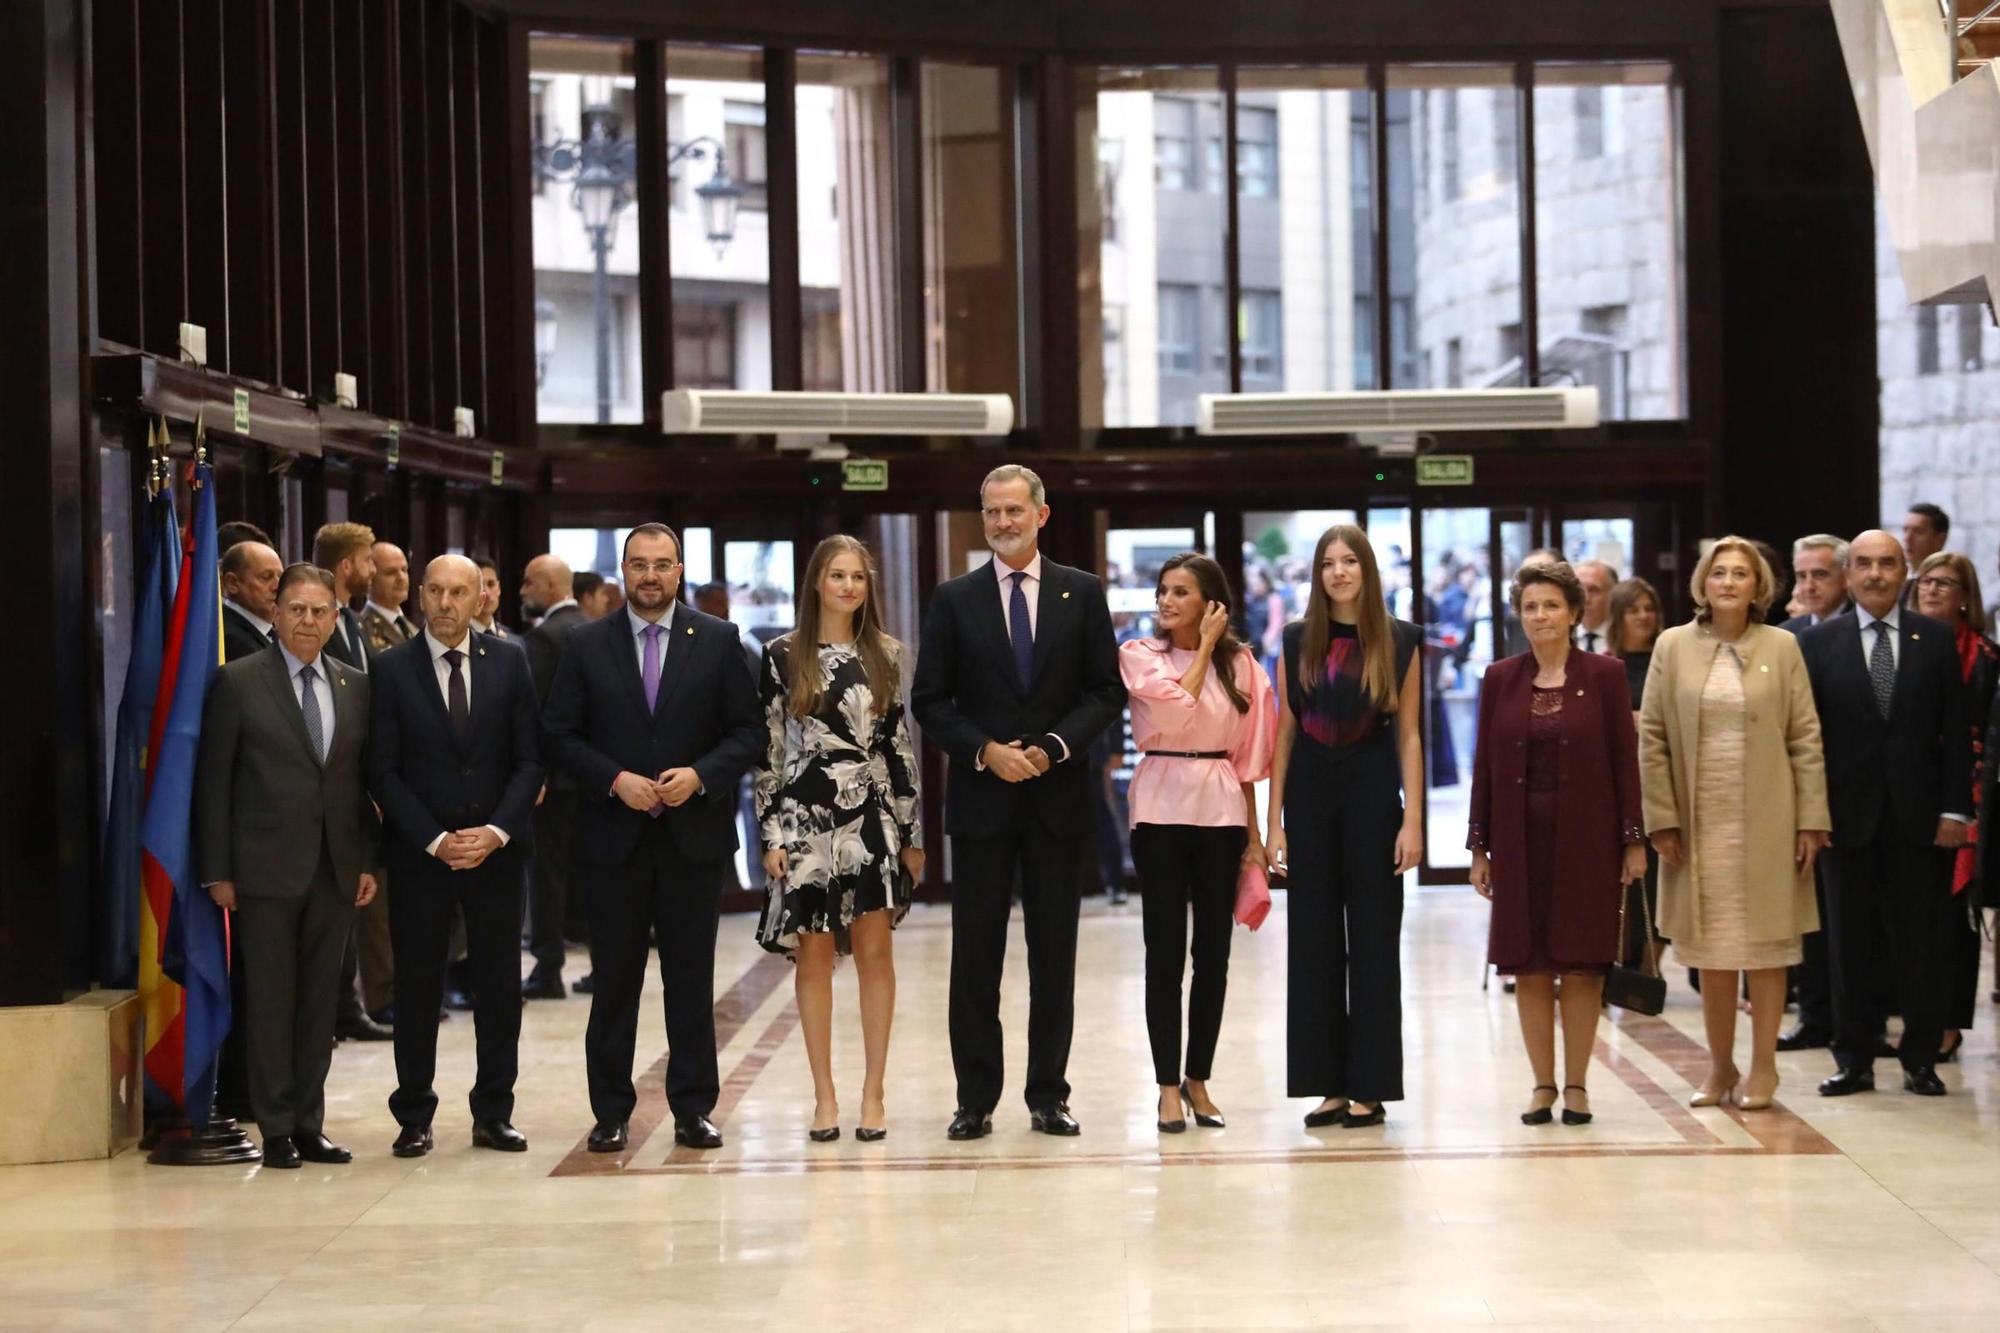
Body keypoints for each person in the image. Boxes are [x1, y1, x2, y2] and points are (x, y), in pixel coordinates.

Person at [911, 464, 1125, 1141]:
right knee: (975, 958)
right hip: (981, 804)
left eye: (1013, 510)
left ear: (1041, 513)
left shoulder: (1082, 593)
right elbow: (930, 700)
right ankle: (974, 1098)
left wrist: (1056, 746)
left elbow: (1104, 693)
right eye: (991, 510)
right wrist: (985, 750)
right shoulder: (954, 598)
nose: (1002, 521)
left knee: (1052, 955)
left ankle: (1048, 1095)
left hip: (1057, 802)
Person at [542, 523, 765, 1153]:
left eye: (661, 565)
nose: (650, 576)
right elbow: (557, 735)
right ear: (622, 571)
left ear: (679, 569)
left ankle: (694, 1108)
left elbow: (747, 733)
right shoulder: (587, 644)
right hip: (612, 840)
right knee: (615, 982)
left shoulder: (718, 640)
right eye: (638, 564)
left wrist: (701, 776)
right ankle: (611, 1110)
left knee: (691, 982)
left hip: (693, 840)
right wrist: (614, 780)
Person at [195, 564, 378, 1168]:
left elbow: (360, 787)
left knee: (320, 1002)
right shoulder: (238, 682)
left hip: (335, 869)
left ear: (334, 618)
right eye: (296, 609)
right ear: (275, 613)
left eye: (319, 611)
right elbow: (213, 782)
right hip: (263, 870)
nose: (307, 620)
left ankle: (309, 1122)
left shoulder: (354, 684)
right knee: (271, 1001)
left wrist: (367, 861)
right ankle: (274, 1127)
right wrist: (218, 870)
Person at [1640, 536, 1829, 1110]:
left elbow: (1805, 737)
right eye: (1718, 572)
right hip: (1699, 826)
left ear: (1758, 586)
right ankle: (1720, 1069)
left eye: (1740, 574)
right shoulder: (1673, 646)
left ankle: (1764, 1068)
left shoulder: (1783, 646)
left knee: (1767, 950)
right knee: (1713, 952)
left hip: (1769, 819)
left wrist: (1811, 820)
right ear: (1703, 582)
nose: (1727, 582)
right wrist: (1662, 819)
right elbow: (1652, 739)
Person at [368, 556, 544, 1158]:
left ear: (479, 601)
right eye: (436, 591)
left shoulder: (511, 662)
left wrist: (495, 831)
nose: (446, 603)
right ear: (422, 596)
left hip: (496, 853)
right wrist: (436, 840)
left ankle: (494, 1112)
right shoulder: (390, 669)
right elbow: (382, 771)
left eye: (459, 593)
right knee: (418, 988)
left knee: (498, 988)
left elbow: (530, 760)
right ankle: (413, 1114)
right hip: (423, 856)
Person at [754, 536, 922, 1142]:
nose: (849, 586)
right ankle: (824, 1096)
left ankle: (872, 1094)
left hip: (872, 819)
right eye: (837, 575)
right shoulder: (780, 654)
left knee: (877, 954)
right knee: (815, 958)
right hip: (805, 820)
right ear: (816, 583)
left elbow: (900, 748)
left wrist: (912, 832)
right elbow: (768, 752)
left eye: (858, 576)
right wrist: (770, 832)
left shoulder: (887, 653)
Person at [1469, 562, 1645, 1126]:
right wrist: (1479, 846)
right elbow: (1485, 770)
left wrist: (1632, 840)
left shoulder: (1606, 675)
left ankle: (1577, 1085)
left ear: (1573, 612)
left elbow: (1625, 762)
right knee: (1530, 961)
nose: (1540, 616)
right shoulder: (1501, 678)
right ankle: (1542, 1084)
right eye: (1530, 607)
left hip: (1588, 836)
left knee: (1583, 962)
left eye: (1551, 606)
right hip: (1520, 840)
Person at [1800, 531, 1970, 1098]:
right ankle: (1853, 1058)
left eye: (1887, 564)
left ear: (1905, 573)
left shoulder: (1937, 640)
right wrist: (1810, 814)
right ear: (1848, 575)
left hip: (1920, 819)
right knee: (1848, 944)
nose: (1875, 574)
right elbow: (1807, 741)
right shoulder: (1818, 644)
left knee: (1920, 943)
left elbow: (1955, 737)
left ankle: (1919, 1058)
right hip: (1843, 821)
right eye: (1864, 565)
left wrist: (1955, 810)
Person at [1267, 523, 1423, 1130]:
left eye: (1349, 561)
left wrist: (1413, 819)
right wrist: (1273, 821)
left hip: (1372, 793)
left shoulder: (1401, 640)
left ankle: (1372, 1084)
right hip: (1309, 794)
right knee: (1314, 943)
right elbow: (1283, 732)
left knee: (1376, 941)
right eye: (1328, 562)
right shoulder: (1295, 639)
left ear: (1366, 570)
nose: (1338, 571)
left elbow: (1409, 734)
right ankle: (1326, 1084)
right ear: (1318, 573)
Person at [1119, 553, 1273, 1134]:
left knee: (1213, 956)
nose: (1165, 601)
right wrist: (1204, 649)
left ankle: (1199, 1078)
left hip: (1222, 808)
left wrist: (1255, 839)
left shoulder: (1246, 667)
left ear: (1210, 602)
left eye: (1180, 592)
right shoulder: (1139, 656)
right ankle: (1165, 1086)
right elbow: (1174, 707)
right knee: (1163, 954)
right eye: (1162, 590)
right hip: (1158, 805)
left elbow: (1252, 758)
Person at [1912, 551, 1996, 1062]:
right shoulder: (1908, 646)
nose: (1934, 591)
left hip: (1969, 797)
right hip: (1912, 792)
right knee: (1912, 913)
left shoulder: (1986, 655)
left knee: (1954, 919)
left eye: (1946, 583)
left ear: (1965, 596)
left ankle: (1947, 1022)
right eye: (1927, 582)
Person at [522, 553, 587, 999]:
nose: (523, 591)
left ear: (549, 586)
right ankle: (604, 965)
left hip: (558, 781)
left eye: (529, 583)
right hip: (597, 778)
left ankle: (548, 968)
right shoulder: (596, 629)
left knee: (548, 876)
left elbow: (537, 713)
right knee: (593, 873)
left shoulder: (545, 638)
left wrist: (535, 775)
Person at [696, 579, 768, 893]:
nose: (720, 609)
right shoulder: (691, 640)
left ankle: (735, 882)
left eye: (724, 603)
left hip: (735, 749)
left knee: (735, 814)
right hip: (700, 751)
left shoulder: (742, 643)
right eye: (713, 603)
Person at [313, 522, 377, 675]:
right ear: (346, 566)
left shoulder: (356, 620)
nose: (373, 569)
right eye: (367, 560)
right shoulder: (313, 620)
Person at [220, 540, 282, 661]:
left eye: (281, 577)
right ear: (232, 583)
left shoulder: (275, 633)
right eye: (266, 577)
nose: (277, 586)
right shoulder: (230, 639)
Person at [362, 541, 417, 654]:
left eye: (404, 570)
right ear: (370, 578)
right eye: (391, 572)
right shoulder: (362, 628)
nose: (401, 578)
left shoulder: (413, 629)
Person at [1574, 559, 1619, 654]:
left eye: (1594, 590)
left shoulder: (1624, 637)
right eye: (1580, 590)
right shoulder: (1561, 638)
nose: (1586, 599)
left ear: (1612, 593)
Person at [471, 556, 512, 638]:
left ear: (499, 588)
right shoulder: (457, 640)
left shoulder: (513, 639)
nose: (487, 593)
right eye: (479, 586)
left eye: (491, 584)